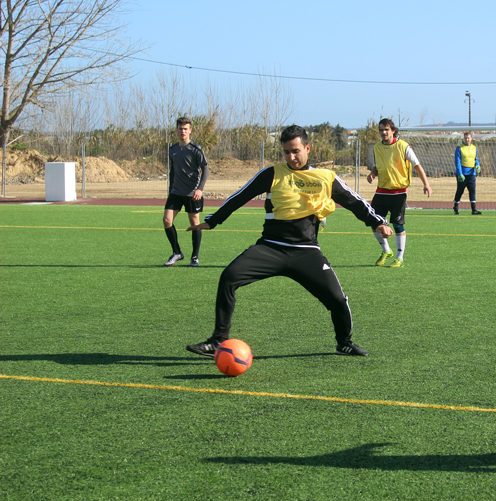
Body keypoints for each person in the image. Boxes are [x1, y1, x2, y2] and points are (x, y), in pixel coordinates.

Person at [185, 125, 392, 357]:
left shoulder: (325, 177)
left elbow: (354, 201)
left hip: (306, 252)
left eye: (295, 151)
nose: (291, 157)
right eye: (286, 152)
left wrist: (377, 222)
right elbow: (240, 196)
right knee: (229, 277)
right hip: (270, 248)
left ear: (307, 148)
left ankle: (344, 342)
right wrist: (213, 221)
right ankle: (218, 340)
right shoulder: (272, 174)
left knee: (337, 299)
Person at [366, 118, 432, 268]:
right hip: (381, 191)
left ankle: (400, 257)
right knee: (374, 222)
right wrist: (373, 173)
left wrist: (426, 184)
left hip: (398, 193)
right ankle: (386, 250)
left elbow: (417, 165)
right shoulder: (377, 147)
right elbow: (379, 166)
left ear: (393, 130)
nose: (383, 132)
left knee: (397, 224)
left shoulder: (403, 146)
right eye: (381, 130)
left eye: (386, 130)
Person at [163, 116, 209, 267]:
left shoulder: (196, 149)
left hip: (192, 193)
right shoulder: (173, 149)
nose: (182, 131)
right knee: (167, 220)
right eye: (180, 128)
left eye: (185, 129)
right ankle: (177, 252)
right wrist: (170, 190)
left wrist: (200, 189)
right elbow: (172, 172)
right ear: (176, 130)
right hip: (176, 192)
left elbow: (205, 169)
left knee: (195, 223)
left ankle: (195, 257)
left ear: (190, 130)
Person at [453, 131, 482, 215]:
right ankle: (455, 207)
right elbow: (457, 162)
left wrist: (478, 165)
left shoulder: (474, 148)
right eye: (465, 138)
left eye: (468, 138)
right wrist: (459, 173)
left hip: (472, 174)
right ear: (463, 139)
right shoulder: (459, 148)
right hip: (462, 174)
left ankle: (474, 210)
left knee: (472, 191)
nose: (467, 139)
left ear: (471, 139)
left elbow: (476, 159)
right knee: (460, 191)